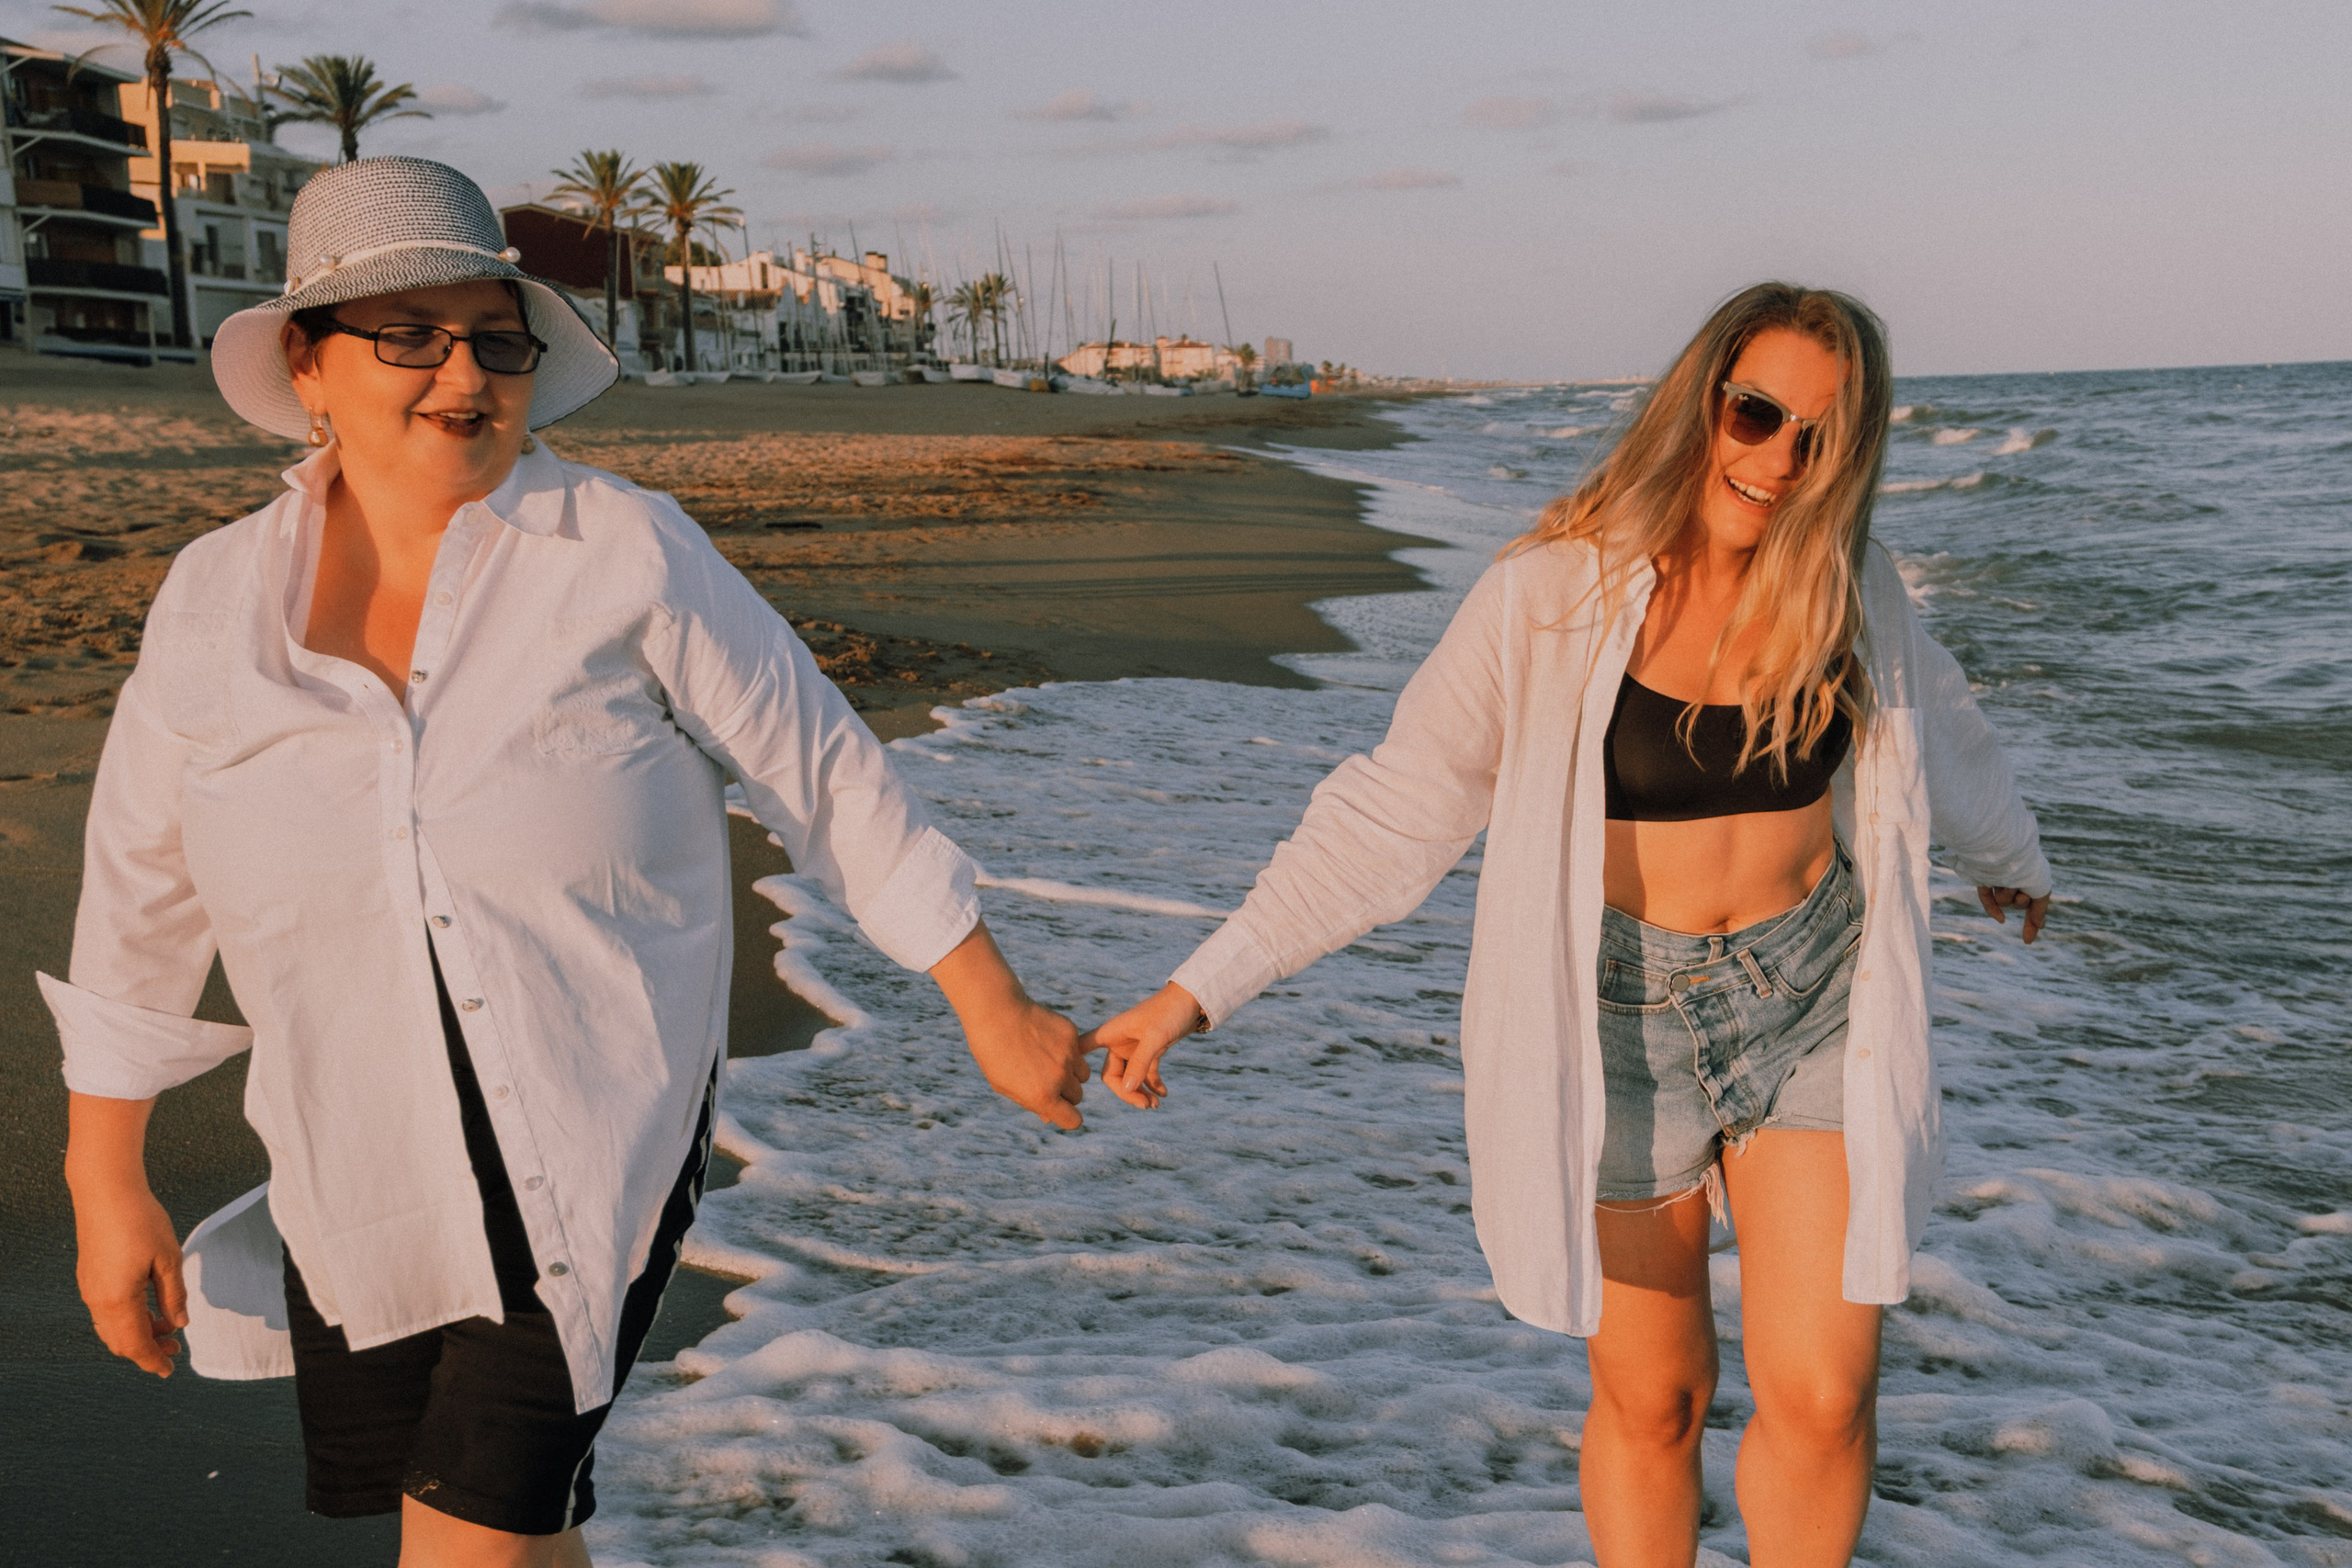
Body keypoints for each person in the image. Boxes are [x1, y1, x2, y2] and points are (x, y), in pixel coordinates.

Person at [48, 157, 1089, 1568]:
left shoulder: (622, 549)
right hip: (354, 1146)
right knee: (517, 1534)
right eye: (408, 336)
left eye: (497, 339)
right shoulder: (211, 599)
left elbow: (821, 771)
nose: (462, 374)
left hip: (590, 1120)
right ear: (307, 363)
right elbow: (140, 889)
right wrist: (104, 1179)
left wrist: (989, 1002)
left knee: (466, 1543)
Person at [1085, 284, 2052, 1567]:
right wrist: (1193, 992)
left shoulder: (1852, 592)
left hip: (1812, 998)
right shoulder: (1550, 598)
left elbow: (1948, 735)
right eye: (1756, 415)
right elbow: (1394, 809)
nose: (1777, 460)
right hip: (1614, 1025)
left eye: (1817, 438)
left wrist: (2009, 858)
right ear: (1702, 403)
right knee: (1657, 1401)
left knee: (1825, 1398)